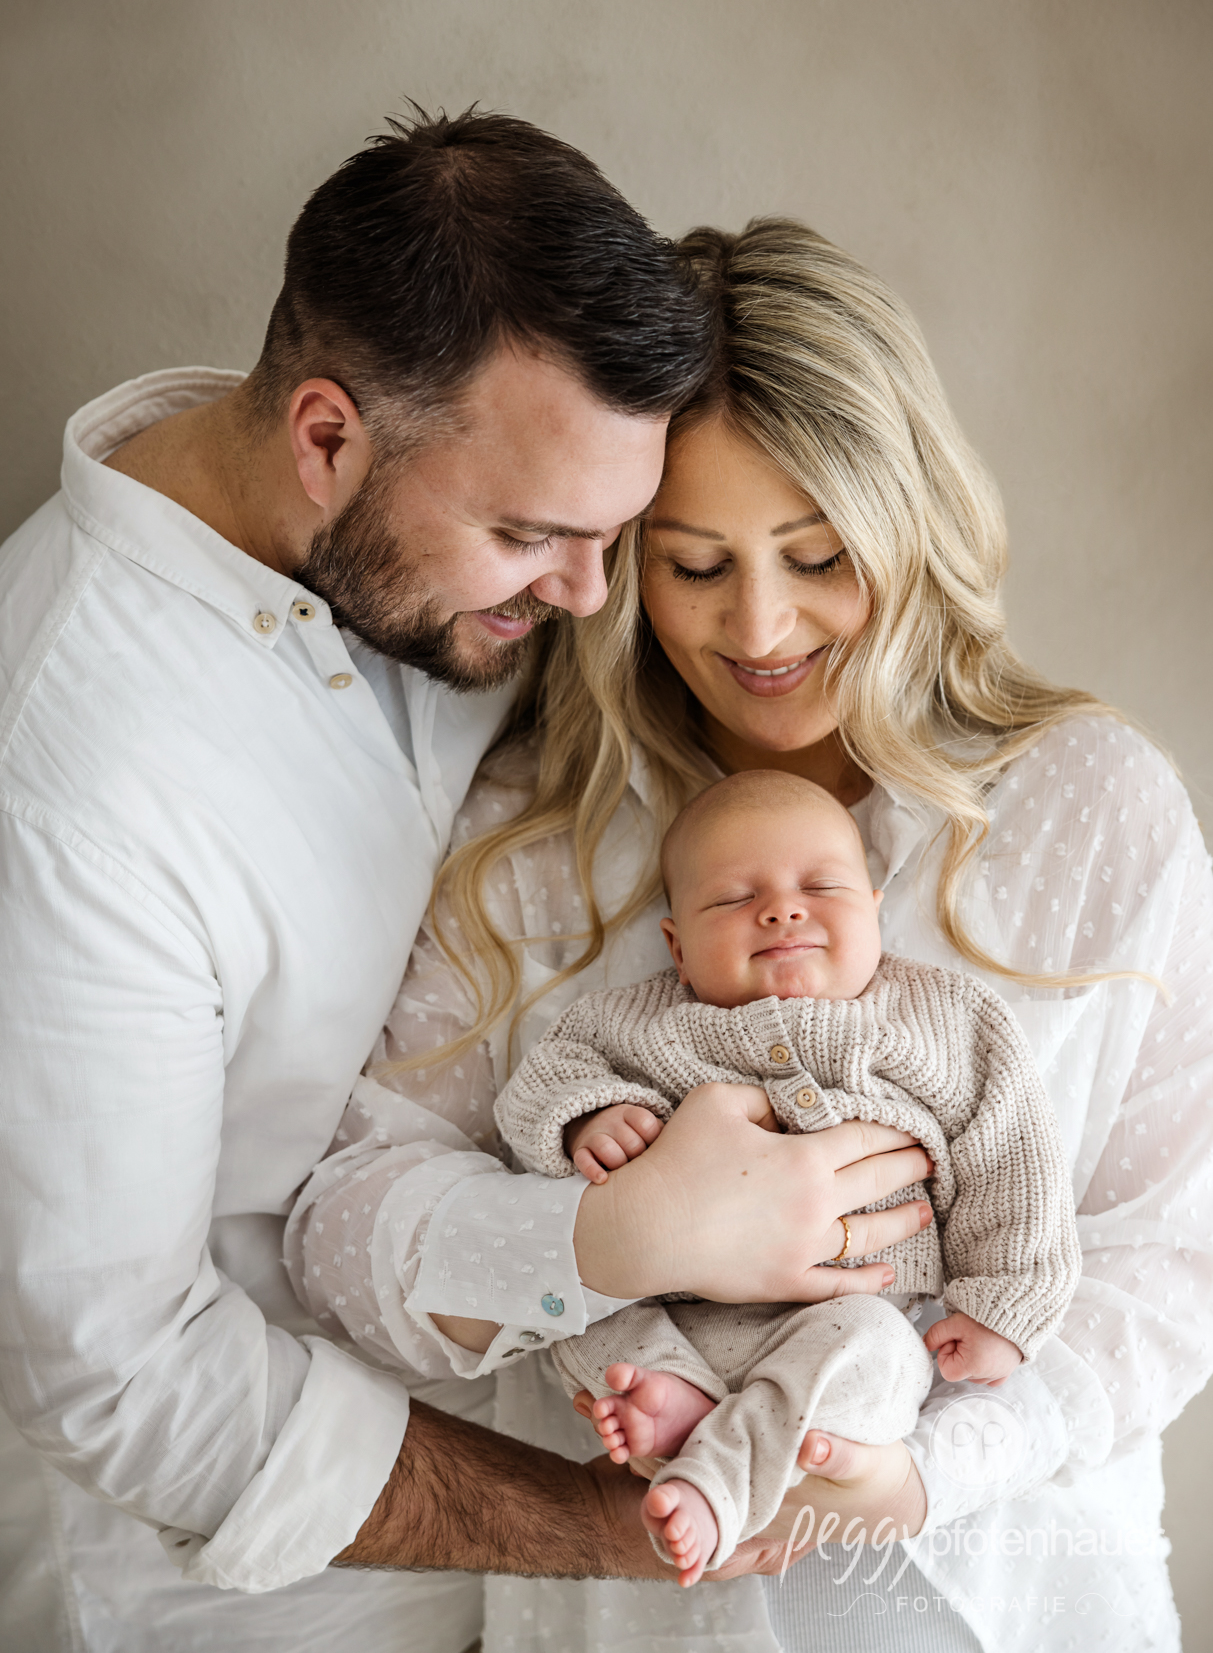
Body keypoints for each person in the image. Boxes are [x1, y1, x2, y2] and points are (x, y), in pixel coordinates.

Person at [289, 217, 1213, 1652]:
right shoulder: (542, 828)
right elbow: (340, 1228)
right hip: (632, 1614)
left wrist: (918, 1474)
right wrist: (602, 1237)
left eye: (816, 553)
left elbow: (1170, 1263)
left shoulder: (1092, 809)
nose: (762, 627)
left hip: (1004, 1601)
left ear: (908, 523)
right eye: (695, 563)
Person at [0, 105, 743, 1653]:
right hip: (227, 1589)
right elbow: (118, 1374)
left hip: (538, 1470)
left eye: (614, 536)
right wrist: (616, 1534)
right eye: (538, 537)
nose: (590, 596)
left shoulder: (411, 539)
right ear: (325, 437)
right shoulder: (71, 778)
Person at [488, 770, 1081, 1585]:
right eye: (733, 899)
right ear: (677, 948)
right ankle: (683, 1403)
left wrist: (1004, 1304)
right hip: (669, 1311)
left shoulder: (945, 1020)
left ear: (873, 907)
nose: (779, 910)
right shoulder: (633, 1023)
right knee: (576, 1317)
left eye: (820, 886)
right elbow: (537, 1088)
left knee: (879, 1358)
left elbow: (1011, 1156)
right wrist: (589, 1117)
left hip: (851, 1316)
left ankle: (710, 1471)